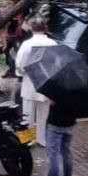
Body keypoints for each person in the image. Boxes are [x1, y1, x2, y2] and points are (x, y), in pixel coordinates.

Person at [14, 17, 55, 145]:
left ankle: (27, 140)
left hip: (30, 82)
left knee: (27, 114)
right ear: (45, 28)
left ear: (31, 28)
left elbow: (20, 64)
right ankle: (41, 139)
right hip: (46, 83)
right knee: (43, 115)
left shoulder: (26, 44)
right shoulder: (53, 44)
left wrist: (21, 73)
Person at [38, 95, 76, 176]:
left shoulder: (55, 86)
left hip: (55, 123)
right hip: (70, 123)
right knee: (66, 153)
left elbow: (52, 102)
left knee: (53, 156)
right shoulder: (78, 87)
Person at [3, 0, 27, 78]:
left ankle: (17, 71)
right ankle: (10, 68)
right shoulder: (10, 5)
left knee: (18, 52)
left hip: (19, 34)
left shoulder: (24, 7)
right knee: (6, 51)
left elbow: (23, 19)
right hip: (9, 32)